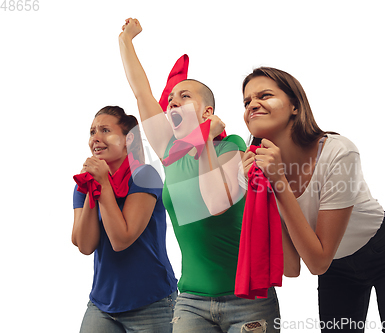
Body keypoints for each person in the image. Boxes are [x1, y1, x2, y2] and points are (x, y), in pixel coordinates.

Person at [119, 18, 280, 333]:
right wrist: (126, 39)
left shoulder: (231, 147)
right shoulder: (169, 150)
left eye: (184, 97)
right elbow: (141, 92)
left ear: (208, 112)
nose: (172, 101)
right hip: (190, 300)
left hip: (247, 299)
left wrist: (206, 139)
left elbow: (216, 202)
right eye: (170, 100)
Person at [241, 67, 385, 332]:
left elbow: (318, 261)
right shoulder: (263, 172)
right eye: (246, 101)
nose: (252, 105)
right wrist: (269, 187)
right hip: (337, 269)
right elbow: (293, 267)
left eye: (265, 95)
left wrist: (279, 182)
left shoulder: (339, 152)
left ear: (295, 105)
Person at [72, 106, 177, 333]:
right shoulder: (85, 185)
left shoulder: (145, 176)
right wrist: (92, 188)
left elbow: (121, 240)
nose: (96, 138)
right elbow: (85, 245)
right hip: (102, 304)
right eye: (92, 132)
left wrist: (103, 186)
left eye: (105, 130)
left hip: (152, 303)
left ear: (128, 139)